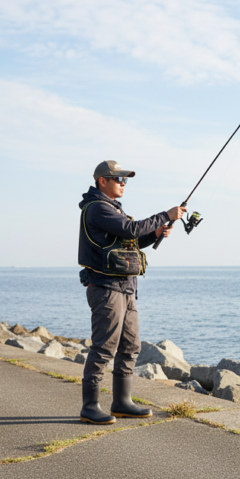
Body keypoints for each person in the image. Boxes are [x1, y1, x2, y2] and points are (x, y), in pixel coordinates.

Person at [77, 160, 185, 424]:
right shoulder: (97, 208)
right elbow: (129, 229)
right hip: (105, 288)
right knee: (104, 348)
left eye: (125, 180)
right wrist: (166, 215)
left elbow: (131, 240)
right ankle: (90, 406)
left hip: (125, 287)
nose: (123, 183)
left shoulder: (113, 209)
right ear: (103, 181)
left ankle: (121, 402)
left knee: (130, 346)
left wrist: (155, 233)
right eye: (119, 179)